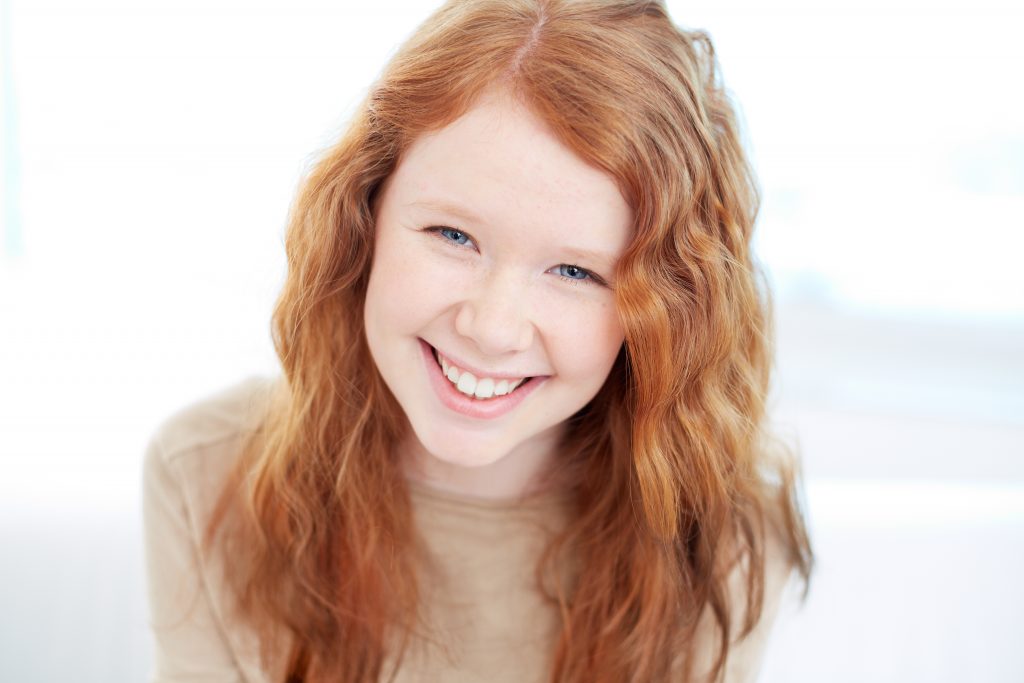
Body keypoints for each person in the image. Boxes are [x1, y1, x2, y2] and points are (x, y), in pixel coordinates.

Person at [142, 1, 814, 681]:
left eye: (576, 272)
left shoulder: (719, 538)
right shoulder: (205, 473)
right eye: (453, 236)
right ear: (363, 213)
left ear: (666, 310)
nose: (492, 328)